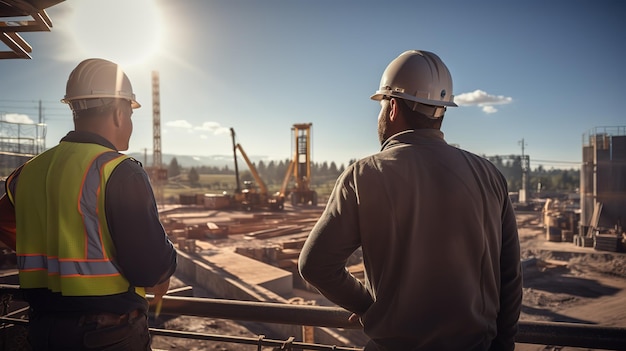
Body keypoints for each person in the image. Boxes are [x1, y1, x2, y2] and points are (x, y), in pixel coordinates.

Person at [298, 50, 522, 351]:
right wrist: (502, 344)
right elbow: (509, 276)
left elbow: (315, 265)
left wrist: (368, 307)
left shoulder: (363, 176)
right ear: (441, 112)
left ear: (392, 108)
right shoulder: (489, 176)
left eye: (381, 106)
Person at [0, 58, 177, 350]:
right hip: (107, 336)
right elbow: (150, 270)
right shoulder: (120, 171)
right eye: (130, 115)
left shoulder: (29, 171)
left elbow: (4, 220)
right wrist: (167, 262)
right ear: (120, 113)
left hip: (43, 329)